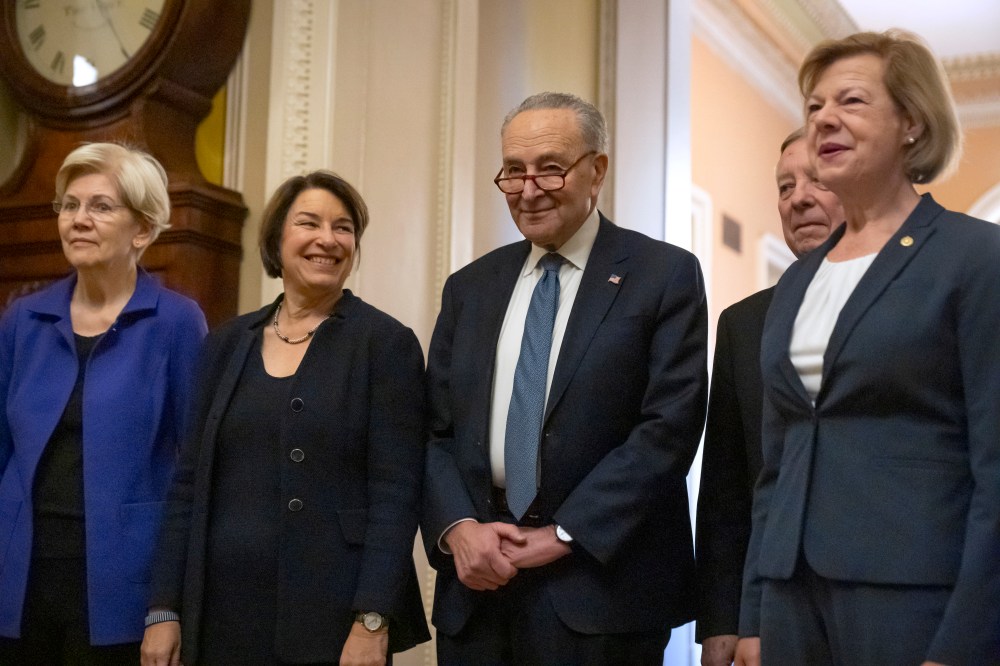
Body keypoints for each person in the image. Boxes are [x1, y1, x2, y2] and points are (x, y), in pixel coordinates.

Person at [735, 30, 1000, 666]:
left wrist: (967, 639)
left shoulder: (975, 258)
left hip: (915, 595)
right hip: (791, 595)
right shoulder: (797, 279)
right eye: (815, 106)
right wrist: (754, 614)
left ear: (911, 121)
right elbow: (776, 464)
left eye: (851, 101)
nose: (824, 117)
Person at [423, 91, 708, 665]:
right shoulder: (470, 288)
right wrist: (458, 528)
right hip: (480, 587)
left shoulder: (663, 275)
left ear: (596, 170)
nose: (529, 190)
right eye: (513, 172)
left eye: (550, 168)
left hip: (603, 593)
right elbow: (434, 430)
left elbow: (668, 428)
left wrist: (562, 534)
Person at [141, 171, 430, 666]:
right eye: (309, 222)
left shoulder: (385, 344)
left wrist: (373, 620)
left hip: (332, 616)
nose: (328, 239)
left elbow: (396, 495)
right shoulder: (226, 343)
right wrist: (163, 607)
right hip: (219, 611)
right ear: (277, 238)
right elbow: (187, 483)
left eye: (343, 228)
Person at [0, 143, 207, 664]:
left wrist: (168, 607)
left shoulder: (177, 323)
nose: (79, 220)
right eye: (69, 205)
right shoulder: (24, 319)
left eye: (100, 206)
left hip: (123, 588)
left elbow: (196, 474)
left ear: (142, 229)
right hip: (17, 577)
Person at [695, 127, 843, 666]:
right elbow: (728, 488)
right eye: (784, 187)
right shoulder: (744, 324)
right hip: (773, 611)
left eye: (817, 181)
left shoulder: (919, 303)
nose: (798, 198)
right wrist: (722, 623)